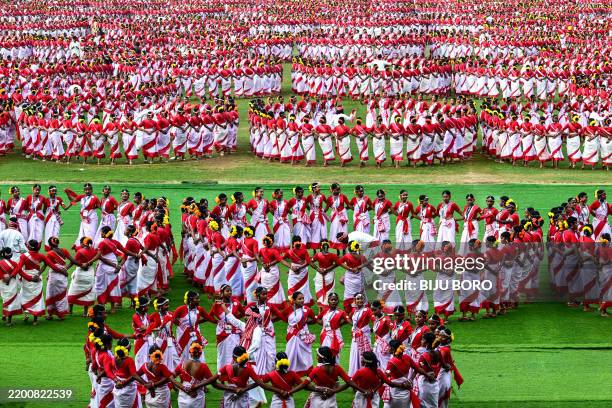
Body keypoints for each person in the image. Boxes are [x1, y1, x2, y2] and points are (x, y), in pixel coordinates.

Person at [16, 239, 66, 324]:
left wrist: (28, 277)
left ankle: (26, 315)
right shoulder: (41, 256)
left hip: (27, 277)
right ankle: (35, 320)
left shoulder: (24, 256)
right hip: (37, 276)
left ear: (28, 246)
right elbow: (52, 266)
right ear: (37, 247)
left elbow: (18, 269)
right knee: (37, 297)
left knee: (25, 295)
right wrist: (63, 272)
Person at [173, 341, 220, 408]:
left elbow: (171, 377)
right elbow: (214, 383)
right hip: (197, 398)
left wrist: (184, 388)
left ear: (190, 351)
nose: (197, 353)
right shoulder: (203, 366)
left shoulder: (182, 364)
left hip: (183, 397)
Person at [210, 284, 245, 371]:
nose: (230, 292)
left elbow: (243, 312)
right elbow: (210, 316)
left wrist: (235, 320)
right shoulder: (217, 304)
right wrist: (217, 322)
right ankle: (221, 375)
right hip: (222, 333)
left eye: (230, 291)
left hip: (234, 332)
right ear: (222, 292)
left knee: (234, 353)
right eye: (227, 291)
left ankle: (233, 374)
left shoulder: (236, 302)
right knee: (222, 354)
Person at [173, 290, 212, 361]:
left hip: (195, 334)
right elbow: (173, 319)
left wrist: (217, 318)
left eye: (198, 298)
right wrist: (183, 327)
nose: (198, 300)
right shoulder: (181, 309)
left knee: (197, 352)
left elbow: (209, 318)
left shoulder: (199, 309)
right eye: (196, 298)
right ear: (190, 299)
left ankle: (198, 369)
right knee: (184, 354)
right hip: (183, 335)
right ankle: (184, 370)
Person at [44, 237, 78, 319]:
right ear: (58, 243)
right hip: (62, 275)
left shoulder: (49, 253)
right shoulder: (64, 251)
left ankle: (50, 314)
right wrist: (65, 269)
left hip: (54, 276)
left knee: (51, 294)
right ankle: (61, 315)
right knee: (61, 295)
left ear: (49, 244)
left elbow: (47, 265)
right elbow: (73, 261)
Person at [112, 338, 149, 408]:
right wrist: (146, 384)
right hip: (129, 389)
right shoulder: (129, 360)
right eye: (129, 344)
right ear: (127, 348)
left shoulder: (114, 358)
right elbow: (134, 375)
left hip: (118, 387)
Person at [286, 291, 316, 376]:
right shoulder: (289, 309)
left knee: (306, 354)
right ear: (294, 300)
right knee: (291, 354)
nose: (302, 300)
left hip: (303, 336)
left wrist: (305, 323)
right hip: (292, 336)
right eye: (299, 299)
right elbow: (283, 317)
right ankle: (291, 374)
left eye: (303, 298)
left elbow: (314, 320)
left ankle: (308, 373)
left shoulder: (307, 309)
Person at [67, 237, 99, 316]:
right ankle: (85, 313)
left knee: (73, 291)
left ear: (82, 243)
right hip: (90, 273)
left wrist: (66, 268)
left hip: (80, 273)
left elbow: (73, 262)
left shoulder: (80, 251)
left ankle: (70, 310)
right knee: (87, 293)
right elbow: (99, 256)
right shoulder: (93, 250)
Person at [147, 296, 180, 372]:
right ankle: (163, 377)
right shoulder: (155, 315)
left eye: (168, 304)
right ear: (160, 306)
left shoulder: (170, 314)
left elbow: (178, 323)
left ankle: (180, 376)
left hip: (170, 341)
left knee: (176, 359)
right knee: (163, 359)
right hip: (160, 341)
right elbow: (148, 326)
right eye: (166, 305)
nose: (168, 306)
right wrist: (157, 329)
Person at [338, 240, 368, 313]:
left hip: (350, 275)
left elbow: (339, 262)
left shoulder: (347, 256)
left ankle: (350, 309)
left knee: (349, 293)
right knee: (360, 291)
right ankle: (360, 307)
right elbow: (367, 262)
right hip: (358, 275)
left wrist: (349, 269)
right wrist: (358, 267)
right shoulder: (361, 256)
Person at [317, 292, 350, 361]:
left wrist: (339, 325)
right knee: (324, 352)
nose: (333, 301)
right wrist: (324, 325)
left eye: (335, 300)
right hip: (325, 334)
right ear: (328, 301)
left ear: (338, 301)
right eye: (332, 300)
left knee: (335, 353)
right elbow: (318, 319)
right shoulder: (325, 311)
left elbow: (347, 320)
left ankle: (335, 366)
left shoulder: (341, 312)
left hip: (335, 335)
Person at [436, 328, 463, 408]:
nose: (440, 338)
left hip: (442, 375)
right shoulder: (441, 347)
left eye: (443, 337)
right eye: (439, 336)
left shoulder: (444, 350)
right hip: (442, 374)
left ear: (448, 340)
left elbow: (439, 361)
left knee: (440, 396)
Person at [348, 293, 373, 376]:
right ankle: (355, 375)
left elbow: (375, 320)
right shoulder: (354, 310)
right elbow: (348, 318)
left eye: (361, 298)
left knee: (364, 354)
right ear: (355, 301)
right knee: (355, 354)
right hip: (355, 337)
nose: (360, 300)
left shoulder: (367, 310)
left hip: (364, 336)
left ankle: (365, 374)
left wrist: (370, 329)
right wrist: (354, 328)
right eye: (358, 299)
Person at [285, 237, 313, 305]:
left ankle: (298, 302)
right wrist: (292, 267)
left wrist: (293, 267)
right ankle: (296, 302)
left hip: (299, 271)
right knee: (294, 287)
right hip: (299, 270)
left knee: (301, 287)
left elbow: (308, 262)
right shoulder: (292, 251)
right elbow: (308, 262)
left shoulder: (290, 251)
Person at [310, 239, 339, 307]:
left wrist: (318, 269)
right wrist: (327, 269)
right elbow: (338, 263)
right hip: (327, 274)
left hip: (321, 274)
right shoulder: (332, 255)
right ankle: (328, 306)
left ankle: (323, 307)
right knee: (326, 290)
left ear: (321, 246)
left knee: (320, 290)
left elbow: (310, 262)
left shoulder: (318, 255)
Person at [416, 332, 441, 408]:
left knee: (423, 405)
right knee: (433, 405)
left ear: (427, 343)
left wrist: (427, 374)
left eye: (423, 339)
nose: (421, 341)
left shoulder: (423, 356)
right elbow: (444, 365)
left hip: (424, 382)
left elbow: (419, 368)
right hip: (435, 383)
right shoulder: (438, 352)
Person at [0, 247, 21, 325]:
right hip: (12, 282)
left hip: (3, 283)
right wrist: (10, 277)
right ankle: (9, 321)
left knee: (5, 300)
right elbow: (17, 270)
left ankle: (4, 315)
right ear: (10, 254)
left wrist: (4, 278)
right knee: (11, 301)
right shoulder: (14, 263)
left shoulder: (1, 263)